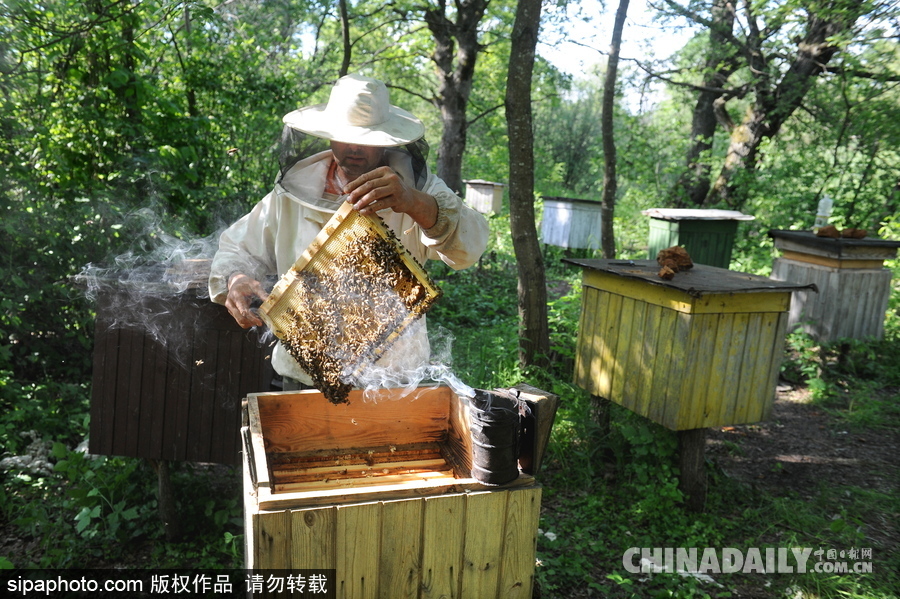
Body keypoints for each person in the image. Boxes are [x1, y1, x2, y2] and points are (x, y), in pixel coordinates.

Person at [208, 74, 489, 389]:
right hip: (303, 376)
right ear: (328, 135)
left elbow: (471, 246)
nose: (355, 147)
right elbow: (236, 248)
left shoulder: (419, 187)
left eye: (367, 139)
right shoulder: (292, 193)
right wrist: (235, 278)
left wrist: (412, 202)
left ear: (387, 139)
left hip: (394, 382)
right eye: (345, 136)